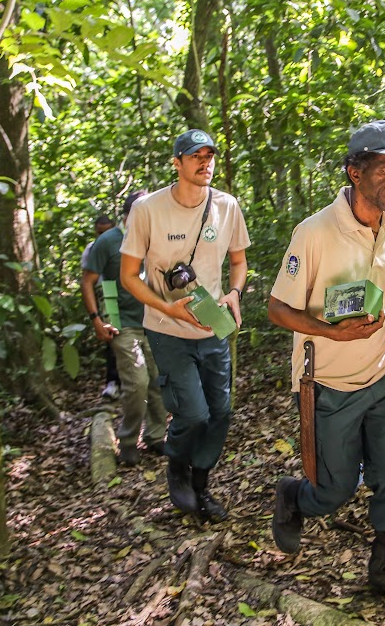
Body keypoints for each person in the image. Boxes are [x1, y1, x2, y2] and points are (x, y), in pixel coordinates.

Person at [267, 120, 385, 613]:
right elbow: (277, 309)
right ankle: (294, 496)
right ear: (354, 171)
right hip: (329, 383)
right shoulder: (313, 232)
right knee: (334, 491)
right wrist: (330, 331)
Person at [119, 129, 250, 522]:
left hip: (212, 326)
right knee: (193, 413)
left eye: (209, 156)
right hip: (167, 327)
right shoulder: (147, 210)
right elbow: (128, 276)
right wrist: (167, 308)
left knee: (220, 412)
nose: (205, 163)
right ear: (177, 163)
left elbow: (239, 261)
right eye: (196, 156)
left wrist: (234, 293)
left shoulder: (227, 206)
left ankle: (201, 485)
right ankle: (176, 464)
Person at [81, 192, 169, 466]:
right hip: (121, 323)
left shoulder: (154, 236)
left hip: (154, 320)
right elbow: (87, 281)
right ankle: (129, 439)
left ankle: (156, 436)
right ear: (129, 215)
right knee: (137, 382)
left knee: (158, 380)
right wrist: (96, 319)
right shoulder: (108, 241)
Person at [82, 215, 121, 399]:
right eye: (99, 232)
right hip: (105, 294)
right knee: (112, 336)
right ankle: (112, 381)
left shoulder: (123, 243)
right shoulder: (92, 249)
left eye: (106, 232)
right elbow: (87, 279)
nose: (102, 236)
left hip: (126, 293)